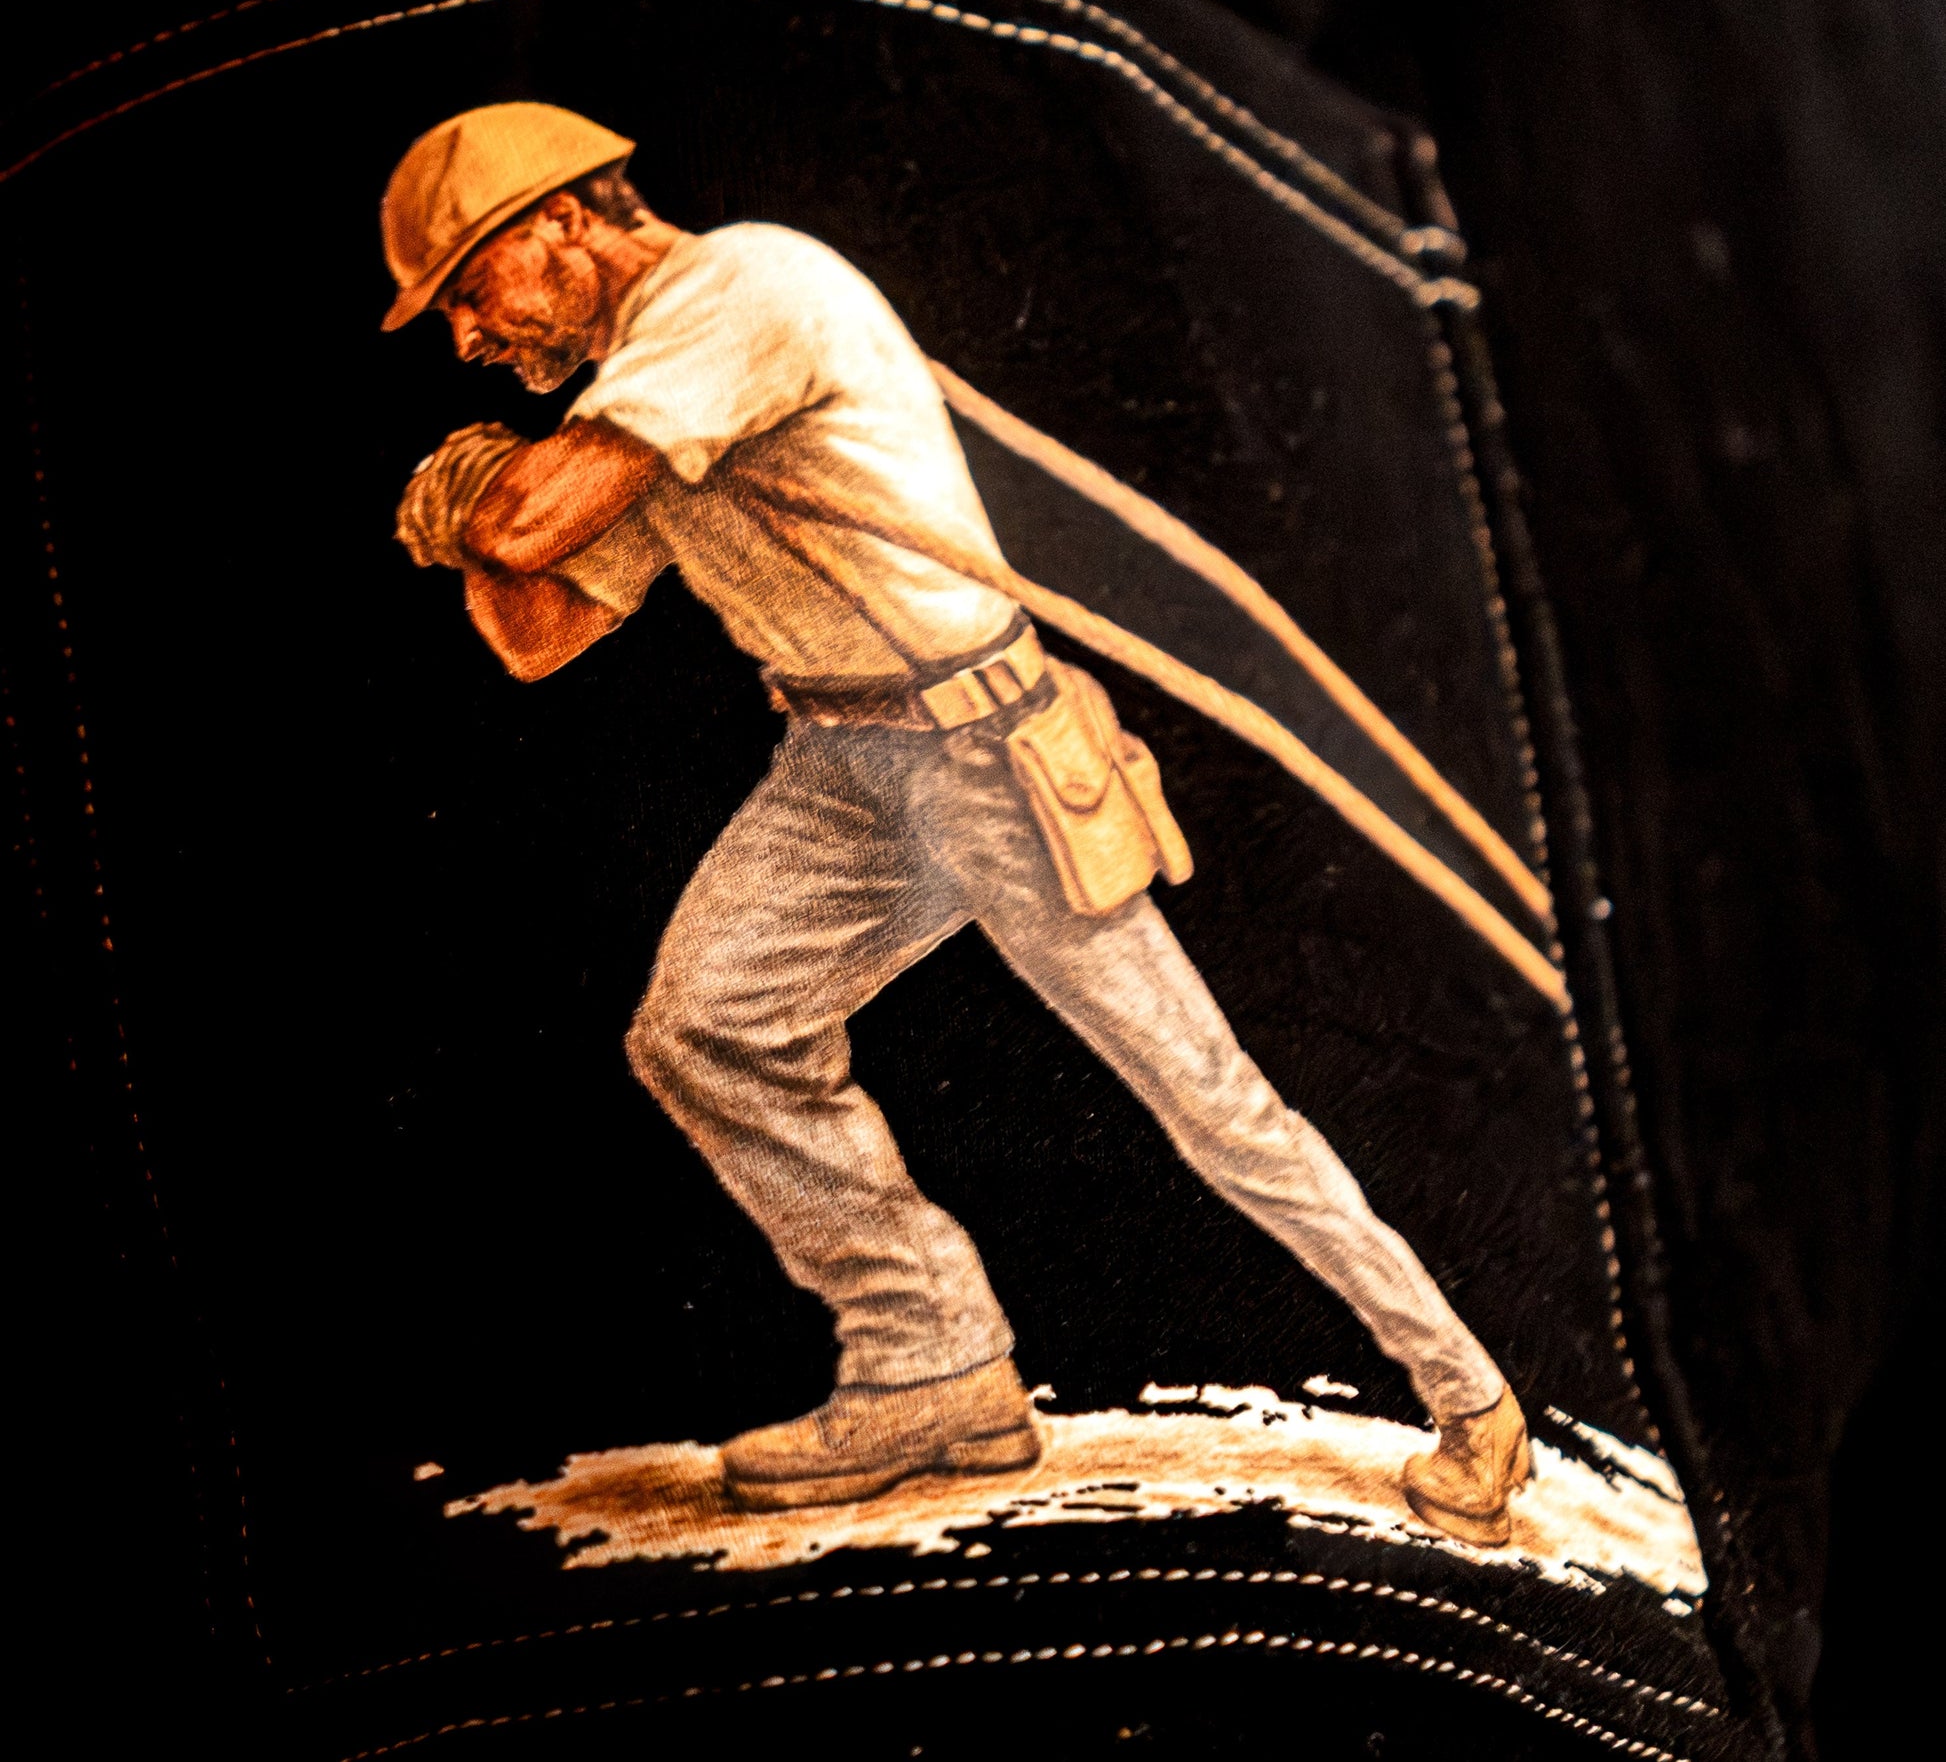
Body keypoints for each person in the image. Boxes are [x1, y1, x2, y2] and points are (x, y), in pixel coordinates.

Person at [383, 98, 1534, 1542]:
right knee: (705, 1028)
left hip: (984, 747)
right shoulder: (635, 399)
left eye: (468, 289)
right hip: (839, 764)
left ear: (560, 220)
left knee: (1209, 1101)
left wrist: (476, 501)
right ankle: (934, 1366)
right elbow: (540, 631)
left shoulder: (739, 286)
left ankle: (1473, 1399)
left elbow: (527, 521)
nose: (468, 338)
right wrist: (470, 527)